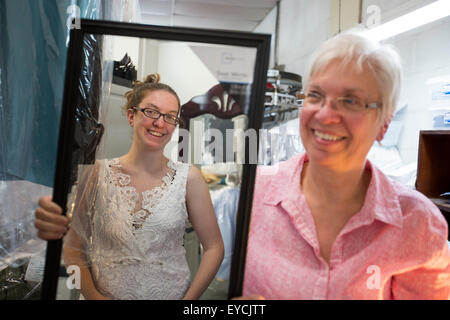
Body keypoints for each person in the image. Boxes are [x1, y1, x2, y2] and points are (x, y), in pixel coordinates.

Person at [242, 31, 450, 299]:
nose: (326, 115)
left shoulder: (416, 223)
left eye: (350, 100)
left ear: (384, 124)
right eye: (315, 95)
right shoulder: (254, 196)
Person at [34, 74, 224, 300]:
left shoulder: (189, 178)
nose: (160, 123)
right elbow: (73, 251)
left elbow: (214, 248)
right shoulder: (96, 174)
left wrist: (189, 301)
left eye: (170, 117)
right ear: (131, 115)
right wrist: (94, 297)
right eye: (151, 112)